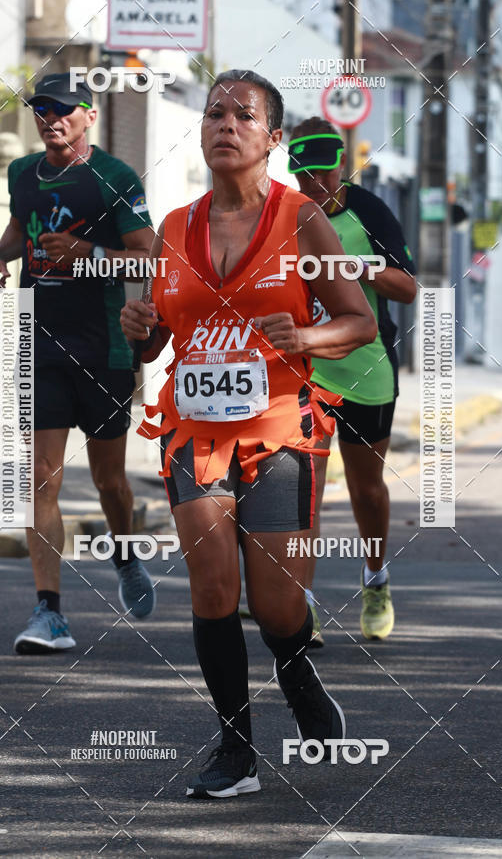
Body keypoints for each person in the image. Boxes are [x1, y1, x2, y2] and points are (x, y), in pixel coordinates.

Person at [120, 70, 377, 798]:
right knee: (211, 589)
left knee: (278, 607)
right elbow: (156, 337)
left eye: (243, 115)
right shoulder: (174, 229)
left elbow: (358, 321)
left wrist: (304, 334)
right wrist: (140, 328)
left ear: (273, 138)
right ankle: (236, 752)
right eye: (214, 113)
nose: (225, 125)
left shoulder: (301, 219)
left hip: (280, 431)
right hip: (194, 433)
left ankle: (297, 674)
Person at [0, 73, 156, 654]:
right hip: (39, 345)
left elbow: (147, 258)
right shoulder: (21, 172)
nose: (51, 118)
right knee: (40, 478)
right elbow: (19, 225)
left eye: (63, 109)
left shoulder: (116, 177)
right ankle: (48, 612)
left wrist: (87, 254)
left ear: (89, 115)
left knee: (109, 481)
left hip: (103, 348)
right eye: (41, 109)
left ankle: (125, 554)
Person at [287, 117, 417, 644]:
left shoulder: (369, 211)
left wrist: (358, 266)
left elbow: (407, 287)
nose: (314, 184)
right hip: (307, 370)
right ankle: (303, 604)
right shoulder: (284, 214)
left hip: (367, 366)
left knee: (366, 490)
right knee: (305, 491)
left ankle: (376, 579)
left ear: (341, 165)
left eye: (323, 173)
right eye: (304, 175)